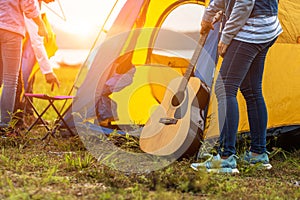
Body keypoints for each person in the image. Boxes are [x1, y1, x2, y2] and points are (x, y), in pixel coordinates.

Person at [191, 0, 282, 173]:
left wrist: (226, 37)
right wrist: (212, 13)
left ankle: (225, 159)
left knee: (225, 88)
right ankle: (258, 154)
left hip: (250, 31)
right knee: (252, 89)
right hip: (267, 27)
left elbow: (245, 3)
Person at [0, 0, 48, 128]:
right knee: (10, 81)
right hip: (12, 30)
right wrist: (41, 24)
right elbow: (28, 4)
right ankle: (3, 125)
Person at [14, 0, 60, 126]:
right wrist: (48, 71)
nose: (54, 1)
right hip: (21, 51)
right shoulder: (31, 4)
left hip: (26, 54)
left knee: (28, 81)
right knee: (20, 85)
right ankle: (16, 121)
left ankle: (28, 115)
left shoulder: (36, 5)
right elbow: (36, 41)